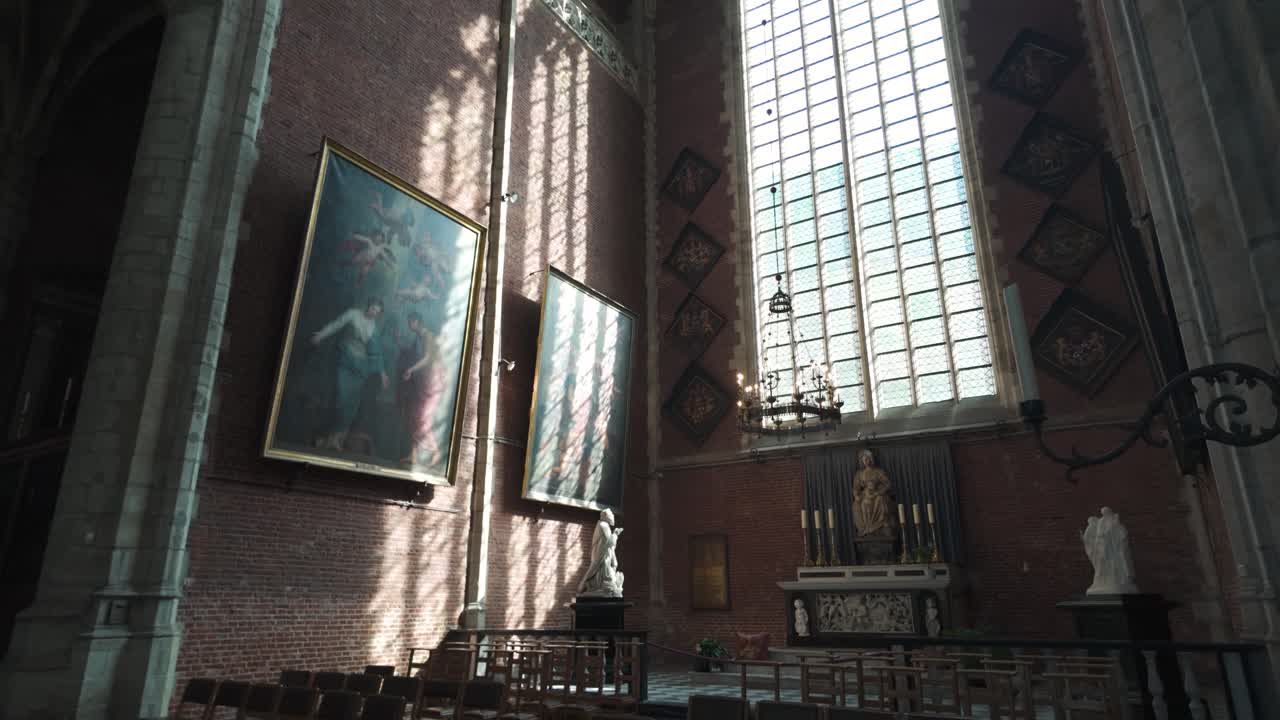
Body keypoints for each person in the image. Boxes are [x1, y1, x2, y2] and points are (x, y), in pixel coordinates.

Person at [310, 297, 389, 451]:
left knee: (351, 406)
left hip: (360, 370)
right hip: (345, 362)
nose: (374, 313)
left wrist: (382, 373)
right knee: (340, 399)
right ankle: (325, 438)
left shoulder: (374, 328)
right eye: (373, 309)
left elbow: (377, 354)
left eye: (377, 312)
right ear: (368, 306)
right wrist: (320, 335)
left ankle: (335, 440)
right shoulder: (353, 314)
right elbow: (336, 325)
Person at [398, 313, 447, 470]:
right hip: (424, 382)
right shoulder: (417, 339)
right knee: (415, 417)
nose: (409, 326)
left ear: (416, 322)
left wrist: (411, 370)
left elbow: (427, 358)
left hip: (433, 382)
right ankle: (413, 455)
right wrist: (398, 340)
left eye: (410, 323)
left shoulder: (428, 336)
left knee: (424, 419)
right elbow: (408, 351)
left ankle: (436, 452)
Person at [1083, 507, 1139, 595]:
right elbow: (1098, 535)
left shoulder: (1115, 521)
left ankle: (1119, 580)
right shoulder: (1102, 522)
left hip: (1114, 548)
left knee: (1116, 561)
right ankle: (1104, 580)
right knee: (1104, 562)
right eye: (1103, 514)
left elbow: (1122, 534)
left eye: (1106, 513)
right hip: (1104, 546)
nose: (1104, 515)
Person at [577, 509, 624, 597]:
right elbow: (610, 542)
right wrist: (616, 534)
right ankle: (584, 586)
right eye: (611, 515)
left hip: (606, 555)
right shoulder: (603, 525)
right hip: (601, 556)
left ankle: (604, 587)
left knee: (611, 567)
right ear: (605, 516)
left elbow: (609, 544)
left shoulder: (604, 525)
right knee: (597, 571)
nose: (613, 517)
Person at [852, 449, 893, 537]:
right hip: (865, 495)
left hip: (877, 493)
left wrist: (879, 492)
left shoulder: (878, 471)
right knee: (857, 504)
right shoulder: (860, 474)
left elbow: (888, 484)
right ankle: (866, 527)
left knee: (880, 500)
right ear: (862, 461)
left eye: (869, 458)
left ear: (872, 459)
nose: (867, 461)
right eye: (865, 459)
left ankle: (880, 524)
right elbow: (856, 487)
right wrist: (856, 495)